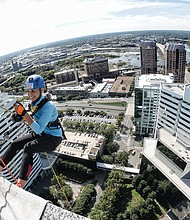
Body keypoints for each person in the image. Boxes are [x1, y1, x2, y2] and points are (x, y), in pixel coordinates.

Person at [0, 74, 63, 188]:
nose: (30, 94)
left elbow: (38, 128)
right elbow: (30, 115)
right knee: (15, 144)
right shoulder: (34, 103)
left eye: (33, 91)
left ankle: (20, 184)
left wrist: (24, 114)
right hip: (42, 134)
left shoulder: (48, 106)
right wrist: (18, 116)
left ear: (41, 89)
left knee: (28, 148)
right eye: (28, 91)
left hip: (53, 138)